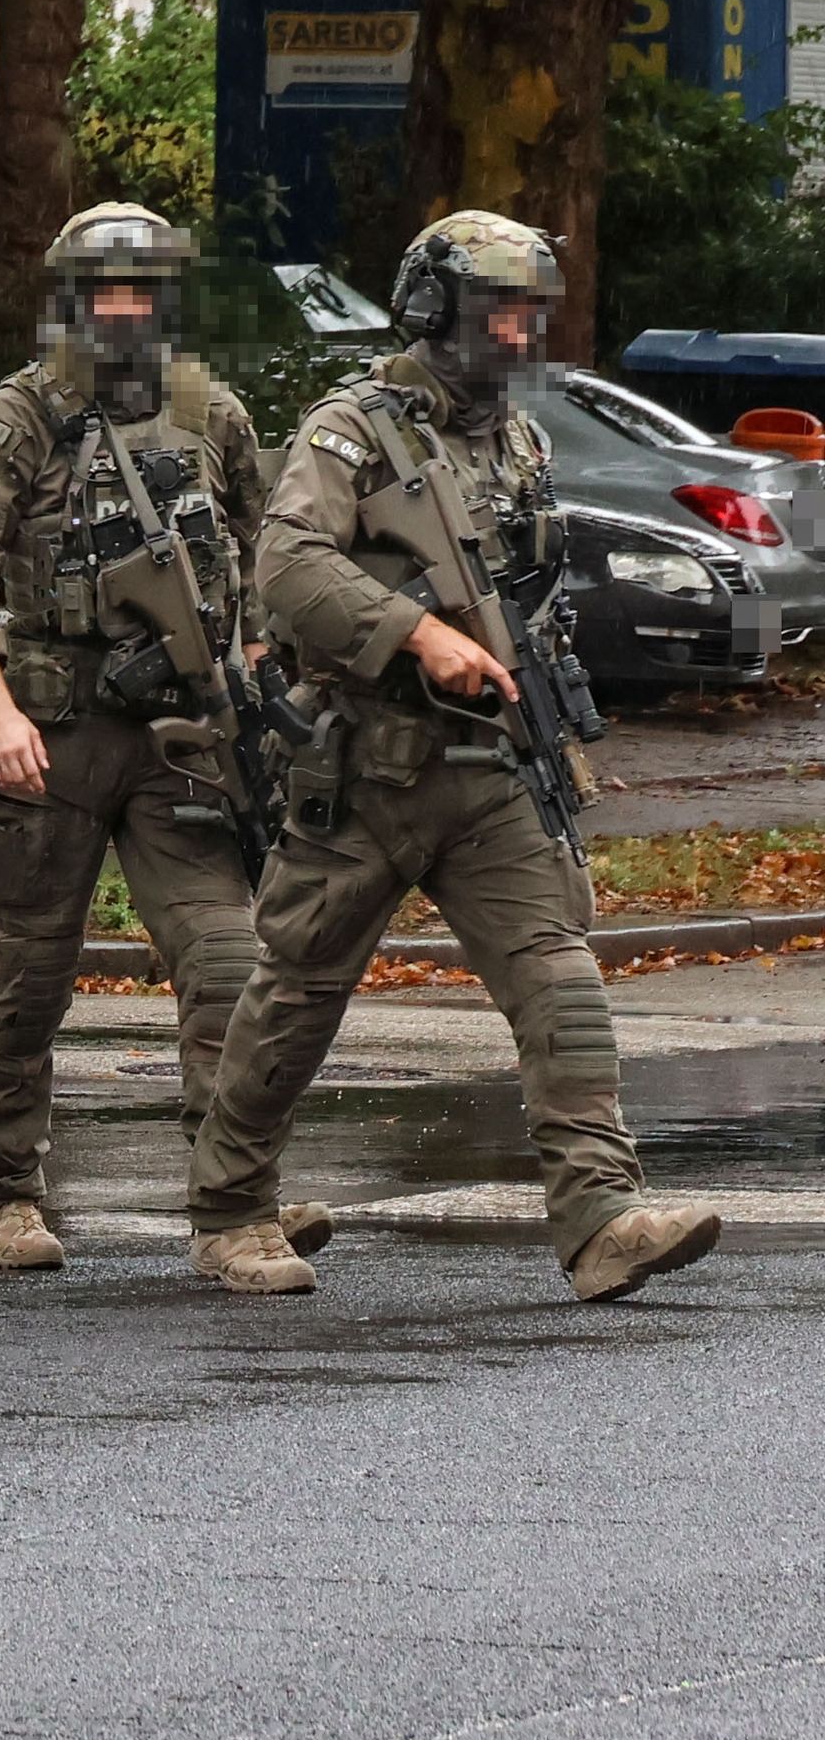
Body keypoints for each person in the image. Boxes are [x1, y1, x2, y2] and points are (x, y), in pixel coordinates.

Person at [185, 210, 720, 1301]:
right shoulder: (351, 430)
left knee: (558, 977)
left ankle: (598, 1217)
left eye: (533, 313)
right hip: (364, 770)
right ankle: (232, 1208)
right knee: (294, 995)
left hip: (486, 770)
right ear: (435, 309)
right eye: (499, 311)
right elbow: (284, 564)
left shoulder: (511, 440)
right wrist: (412, 630)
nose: (520, 332)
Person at [0, 201, 330, 1273]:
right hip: (48, 737)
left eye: (141, 289)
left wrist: (251, 660)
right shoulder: (18, 415)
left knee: (230, 959)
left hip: (179, 742)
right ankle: (4, 1191)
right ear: (70, 297)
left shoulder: (210, 412)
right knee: (30, 971)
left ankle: (235, 1198)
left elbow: (267, 548)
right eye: (104, 290)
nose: (123, 308)